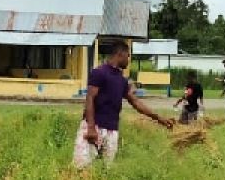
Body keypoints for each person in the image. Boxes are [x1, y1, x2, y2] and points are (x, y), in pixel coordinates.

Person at [74, 40, 174, 168]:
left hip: (112, 131)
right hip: (94, 127)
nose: (128, 60)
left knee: (106, 170)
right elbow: (90, 99)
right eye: (128, 56)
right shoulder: (99, 73)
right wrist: (91, 128)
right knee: (82, 168)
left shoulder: (121, 80)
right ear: (120, 54)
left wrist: (159, 118)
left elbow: (135, 102)